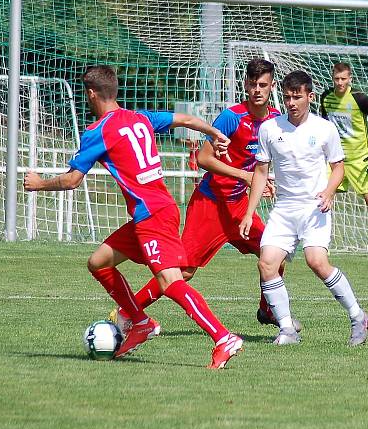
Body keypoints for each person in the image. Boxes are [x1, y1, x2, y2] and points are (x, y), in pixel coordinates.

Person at [23, 65, 243, 369]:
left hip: (152, 215)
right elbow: (187, 119)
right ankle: (140, 322)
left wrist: (39, 184)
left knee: (171, 282)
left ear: (91, 93)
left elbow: (73, 180)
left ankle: (223, 337)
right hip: (155, 211)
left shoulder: (97, 131)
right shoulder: (140, 118)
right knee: (98, 262)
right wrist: (215, 132)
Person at [111, 58, 301, 333]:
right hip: (210, 204)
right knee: (183, 271)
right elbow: (203, 158)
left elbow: (264, 163)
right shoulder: (232, 117)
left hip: (238, 206)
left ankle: (268, 310)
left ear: (272, 87)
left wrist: (264, 183)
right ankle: (127, 312)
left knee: (274, 255)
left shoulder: (274, 121)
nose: (257, 90)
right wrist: (245, 177)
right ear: (245, 85)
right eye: (252, 84)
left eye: (263, 85)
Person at [239, 70, 368, 346]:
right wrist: (250, 212)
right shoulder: (270, 129)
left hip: (314, 209)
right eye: (287, 97)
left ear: (309, 97)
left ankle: (358, 316)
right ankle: (287, 329)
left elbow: (338, 167)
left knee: (317, 263)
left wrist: (329, 191)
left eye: (297, 97)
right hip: (284, 209)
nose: (292, 103)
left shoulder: (324, 128)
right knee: (266, 264)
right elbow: (261, 172)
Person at [320, 61, 368, 259]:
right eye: (337, 79)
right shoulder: (326, 98)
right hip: (335, 160)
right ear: (333, 78)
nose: (340, 83)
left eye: (344, 79)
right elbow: (323, 126)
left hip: (359, 160)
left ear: (350, 79)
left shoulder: (360, 98)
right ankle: (321, 246)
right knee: (322, 200)